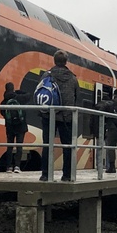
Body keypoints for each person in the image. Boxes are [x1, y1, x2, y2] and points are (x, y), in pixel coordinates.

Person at [39, 50, 80, 182]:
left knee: (47, 144)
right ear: (66, 62)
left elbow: (40, 93)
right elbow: (77, 99)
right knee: (67, 146)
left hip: (48, 115)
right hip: (66, 117)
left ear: (54, 60)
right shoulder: (73, 79)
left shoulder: (47, 75)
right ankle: (66, 175)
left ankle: (45, 174)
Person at [0, 82, 28, 172]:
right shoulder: (19, 98)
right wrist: (18, 91)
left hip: (9, 126)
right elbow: (29, 95)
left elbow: (2, 112)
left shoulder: (4, 101)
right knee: (19, 146)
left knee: (10, 146)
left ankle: (8, 166)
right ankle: (17, 166)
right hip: (21, 126)